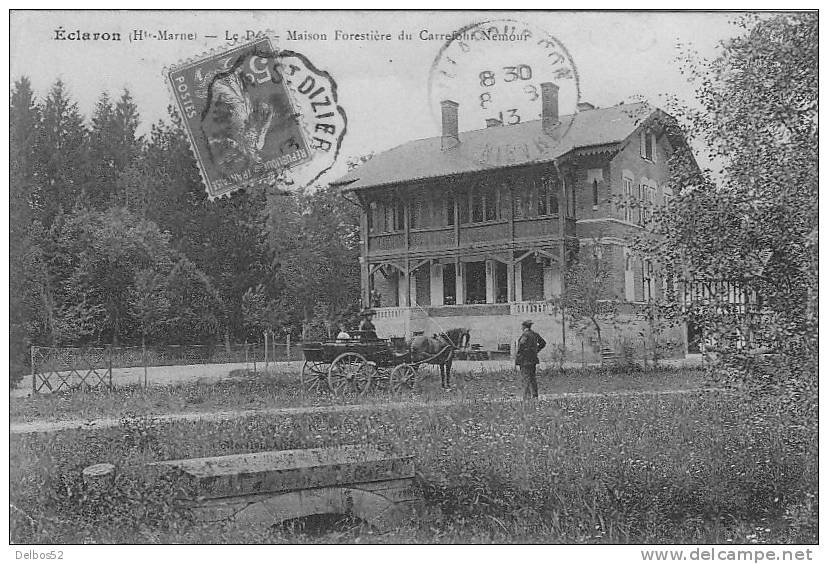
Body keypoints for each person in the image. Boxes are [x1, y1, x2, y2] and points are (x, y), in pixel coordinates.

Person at [515, 319, 546, 400]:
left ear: (524, 326)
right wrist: (536, 350)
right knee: (532, 378)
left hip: (525, 360)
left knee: (525, 378)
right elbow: (543, 343)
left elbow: (521, 346)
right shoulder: (535, 334)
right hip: (533, 359)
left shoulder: (525, 335)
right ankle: (535, 395)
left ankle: (527, 397)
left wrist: (518, 356)